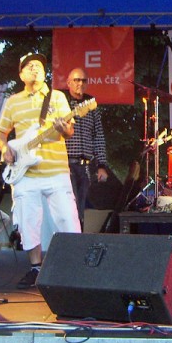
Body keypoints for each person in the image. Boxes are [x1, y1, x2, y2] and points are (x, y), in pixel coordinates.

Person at [0, 52, 81, 289]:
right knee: (28, 222)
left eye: (39, 66)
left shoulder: (57, 97)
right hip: (25, 174)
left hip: (56, 171)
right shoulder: (13, 102)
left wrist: (63, 128)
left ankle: (74, 268)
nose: (35, 69)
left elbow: (69, 131)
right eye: (30, 66)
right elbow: (0, 134)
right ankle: (35, 268)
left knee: (68, 219)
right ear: (21, 74)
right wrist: (5, 149)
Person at [62, 67, 109, 230]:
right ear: (68, 83)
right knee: (70, 206)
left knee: (80, 209)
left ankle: (78, 236)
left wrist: (101, 165)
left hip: (85, 167)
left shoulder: (91, 105)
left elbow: (98, 136)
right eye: (76, 80)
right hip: (65, 164)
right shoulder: (61, 102)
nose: (80, 83)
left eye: (83, 80)